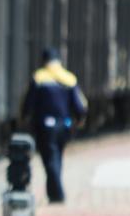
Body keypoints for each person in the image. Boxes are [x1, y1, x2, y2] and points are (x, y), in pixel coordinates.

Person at [22, 48, 87, 204]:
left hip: (44, 126)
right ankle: (53, 193)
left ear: (44, 61)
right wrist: (79, 121)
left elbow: (28, 103)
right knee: (57, 156)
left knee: (50, 159)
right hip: (64, 125)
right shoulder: (69, 78)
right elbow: (79, 106)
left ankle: (58, 194)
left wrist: (24, 118)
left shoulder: (39, 78)